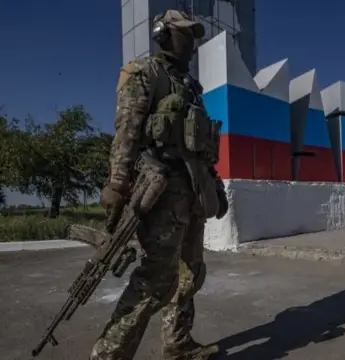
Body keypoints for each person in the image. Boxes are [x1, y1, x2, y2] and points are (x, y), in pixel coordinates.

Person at [92, 9, 228, 360]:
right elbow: (128, 131)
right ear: (163, 34)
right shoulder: (145, 73)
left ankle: (177, 343)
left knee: (191, 273)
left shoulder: (191, 87)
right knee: (157, 280)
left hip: (193, 191)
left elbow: (199, 148)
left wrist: (216, 186)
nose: (193, 45)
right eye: (187, 35)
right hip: (161, 191)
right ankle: (109, 354)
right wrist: (118, 181)